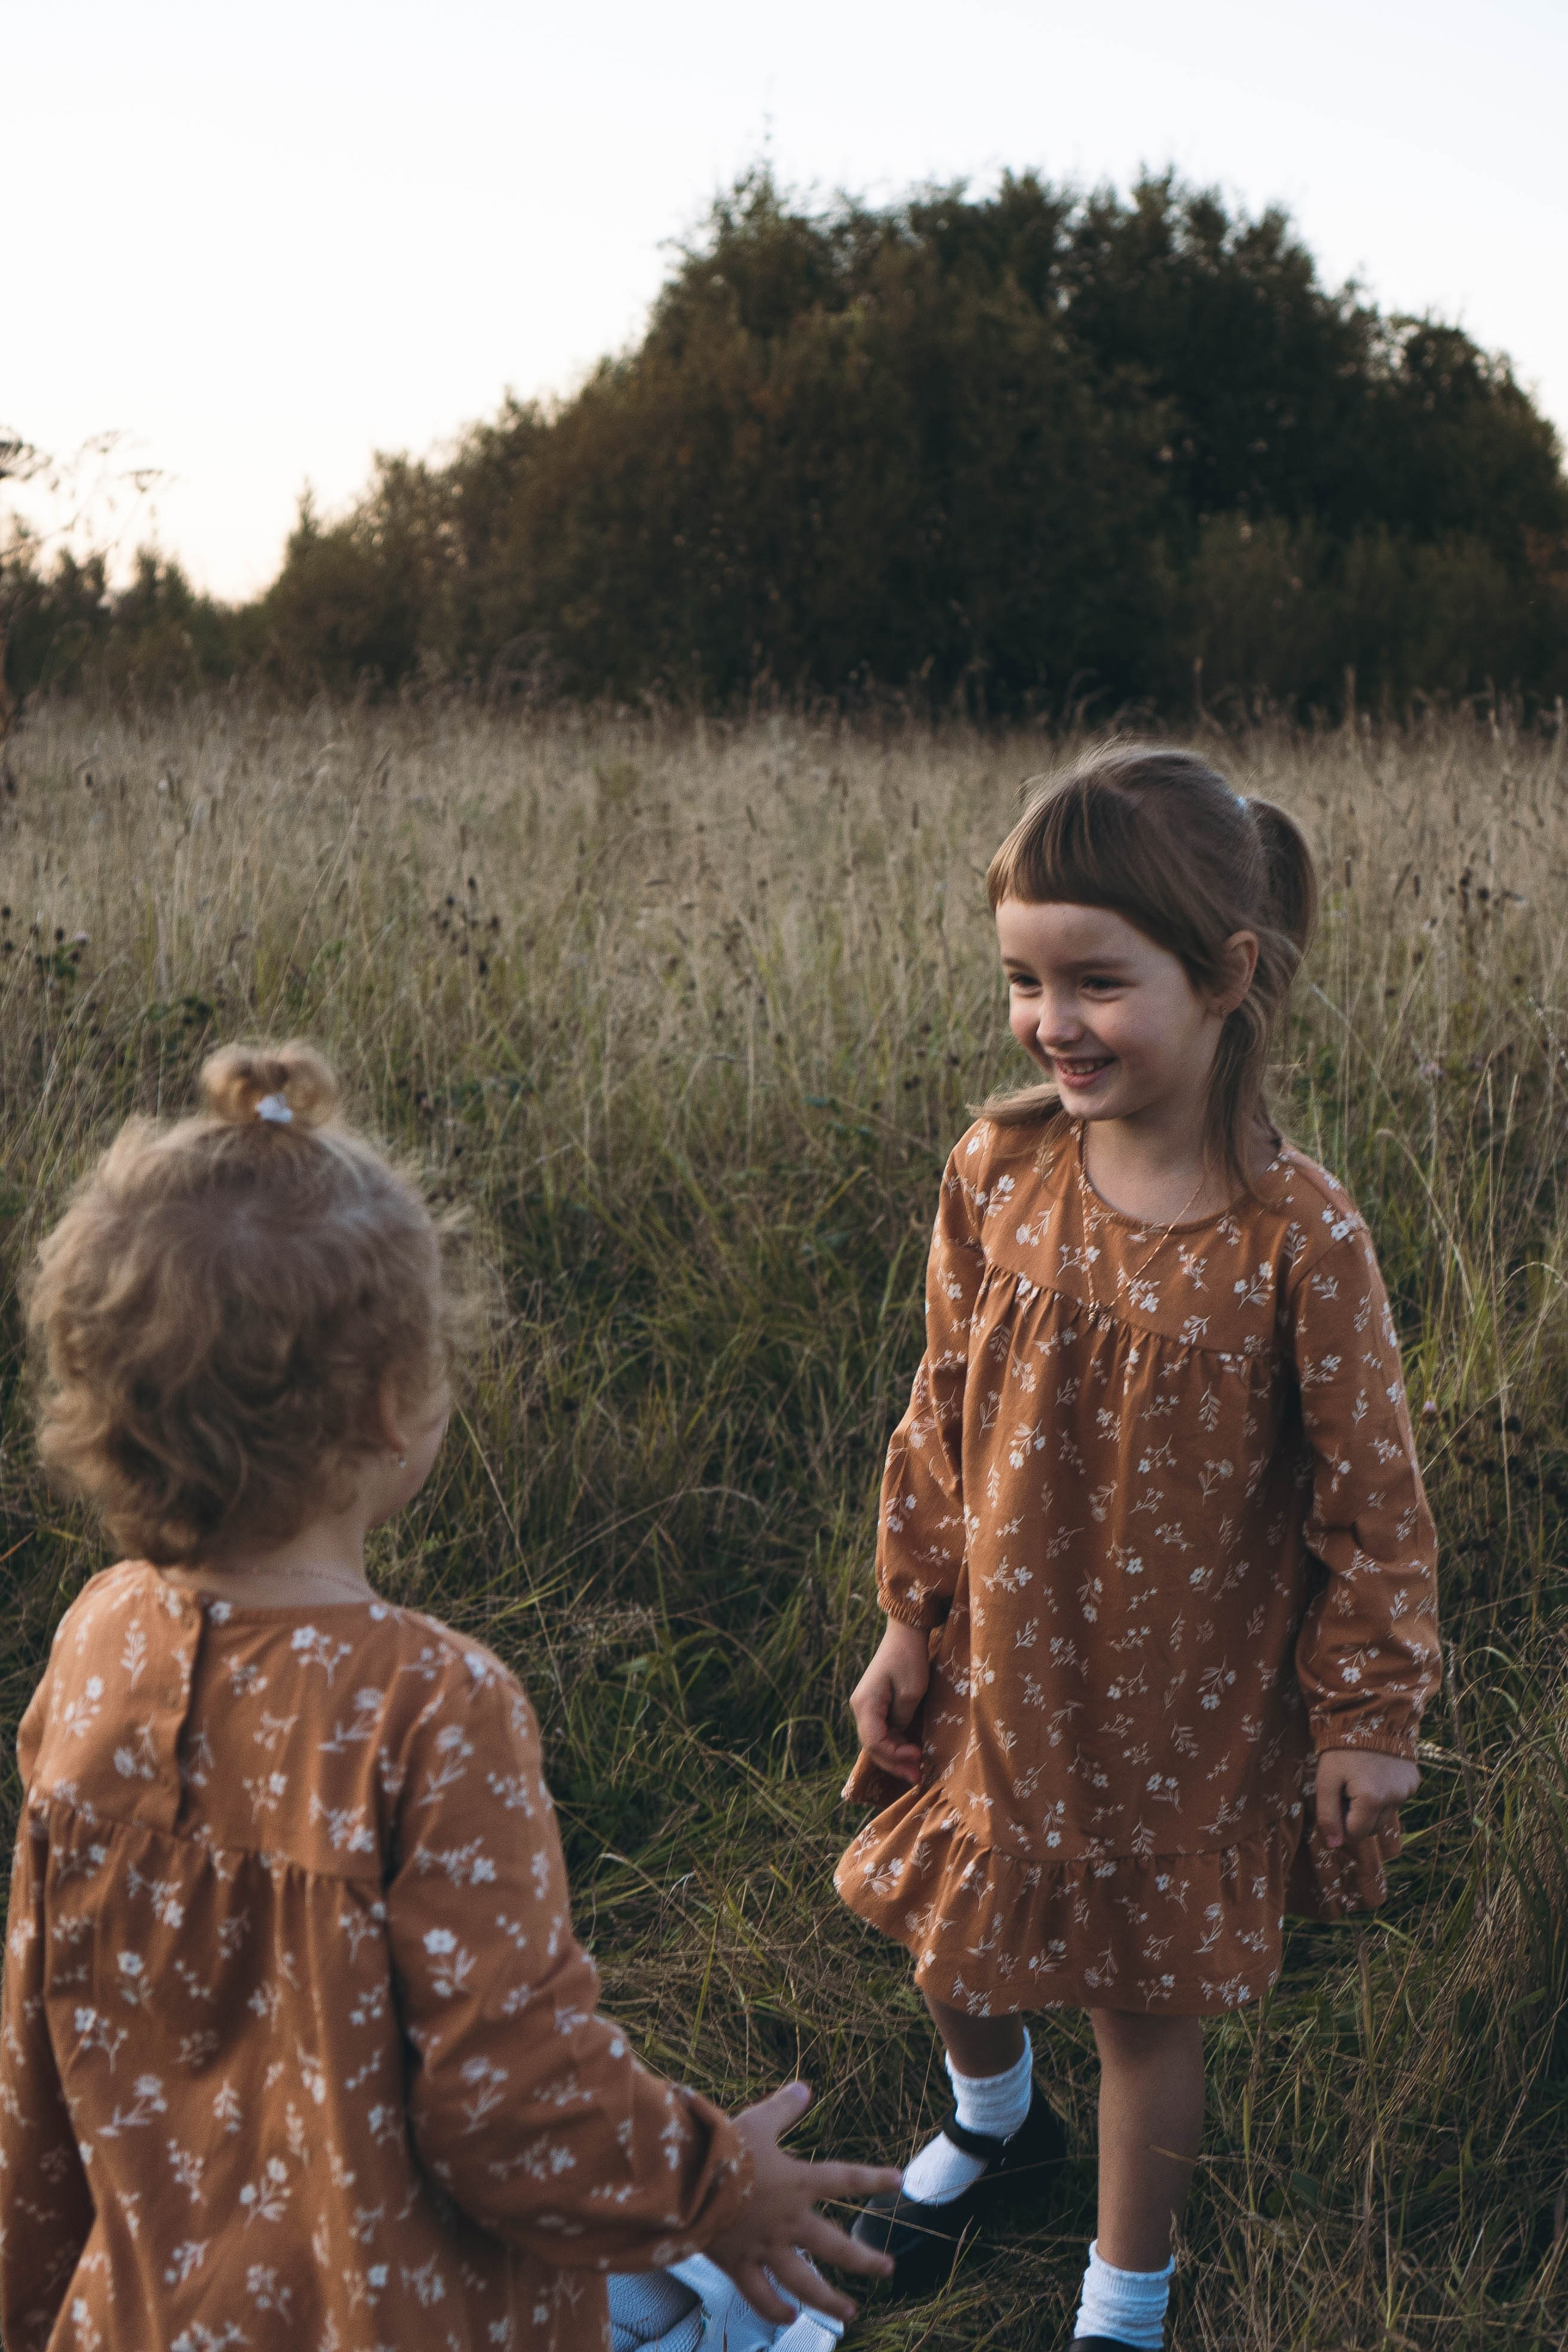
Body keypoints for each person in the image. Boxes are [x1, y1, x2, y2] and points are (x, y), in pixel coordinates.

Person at [0, 1042, 899, 2352]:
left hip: (151, 2298)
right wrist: (717, 2184)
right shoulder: (431, 1704)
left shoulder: (98, 1641)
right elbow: (510, 2104)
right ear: (384, 1405)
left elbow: (42, 2041)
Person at [834, 745, 1441, 2350]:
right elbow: (944, 1399)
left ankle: (1124, 2298)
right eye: (1024, 981)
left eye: (1098, 981)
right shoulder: (1001, 1170)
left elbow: (1374, 1505)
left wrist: (1370, 1718)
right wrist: (911, 1617)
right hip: (998, 1665)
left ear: (1229, 975)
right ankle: (989, 2123)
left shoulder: (1296, 1240)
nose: (1053, 1022)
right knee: (947, 1919)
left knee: (1140, 2003)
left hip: (1180, 1713)